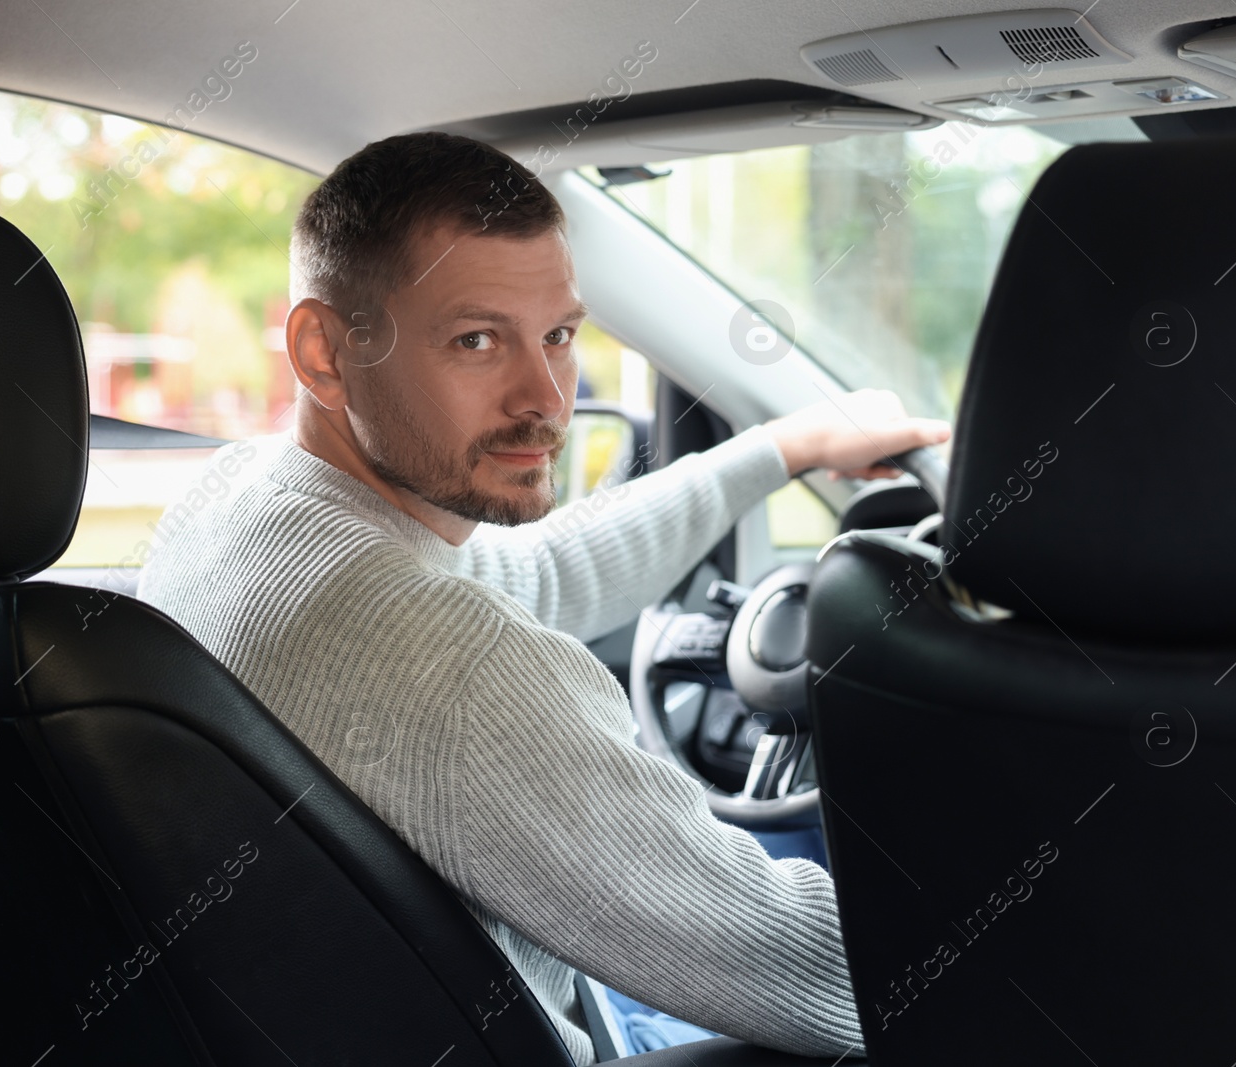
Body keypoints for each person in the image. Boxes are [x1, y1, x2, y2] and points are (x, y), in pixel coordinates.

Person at [137, 131, 950, 1064]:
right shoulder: (443, 660)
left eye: (560, 334)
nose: (546, 398)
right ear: (324, 352)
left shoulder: (241, 505)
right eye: (476, 339)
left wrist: (781, 450)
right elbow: (818, 971)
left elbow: (540, 571)